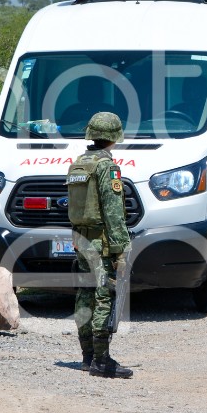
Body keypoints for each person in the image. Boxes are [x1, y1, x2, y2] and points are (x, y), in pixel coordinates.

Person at [66, 112, 133, 379]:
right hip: (101, 243)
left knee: (85, 294)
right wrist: (121, 248)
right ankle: (101, 361)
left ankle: (87, 357)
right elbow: (113, 212)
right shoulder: (107, 167)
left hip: (81, 240)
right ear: (114, 137)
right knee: (104, 296)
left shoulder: (79, 164)